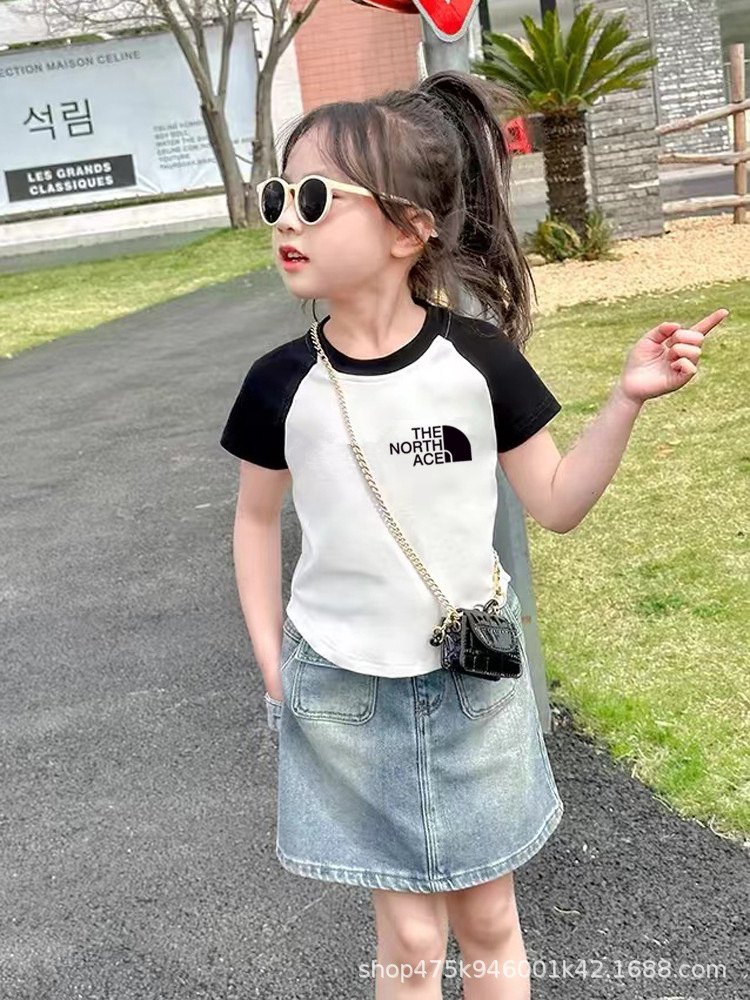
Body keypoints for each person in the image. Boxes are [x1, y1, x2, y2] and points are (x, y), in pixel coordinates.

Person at [219, 69, 727, 999]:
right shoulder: (278, 384)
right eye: (278, 197)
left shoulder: (479, 361)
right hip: (342, 684)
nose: (288, 219)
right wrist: (271, 664)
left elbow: (558, 503)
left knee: (489, 919)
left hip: (473, 682)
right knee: (411, 933)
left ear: (409, 229)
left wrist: (625, 400)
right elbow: (255, 523)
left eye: (317, 198)